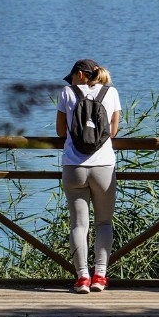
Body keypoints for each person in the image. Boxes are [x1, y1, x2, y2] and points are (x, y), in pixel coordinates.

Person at [57, 58, 121, 294]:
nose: (71, 81)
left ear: (81, 75)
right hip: (103, 165)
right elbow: (113, 131)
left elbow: (61, 131)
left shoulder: (66, 93)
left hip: (74, 166)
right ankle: (100, 277)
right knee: (104, 222)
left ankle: (82, 277)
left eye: (72, 76)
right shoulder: (111, 93)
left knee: (78, 224)